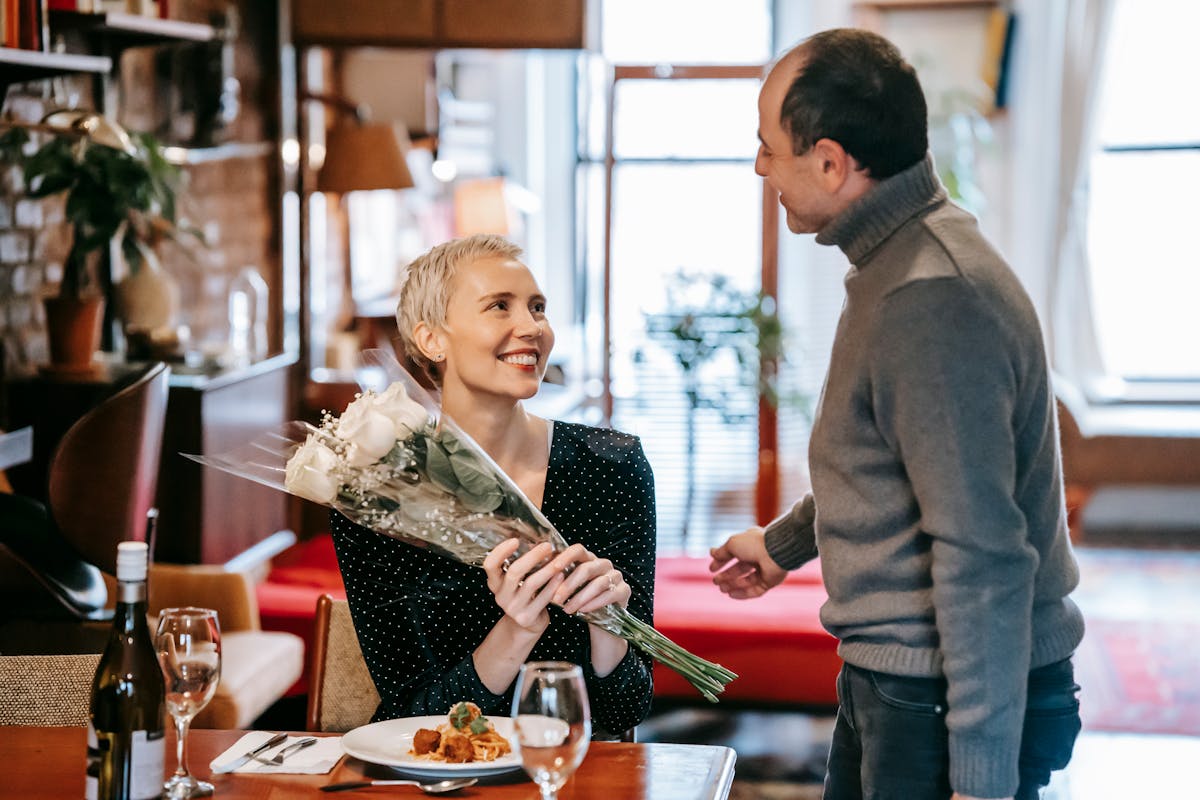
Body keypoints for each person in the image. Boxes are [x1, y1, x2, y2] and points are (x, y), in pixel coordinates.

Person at [708, 29, 1085, 800]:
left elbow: (984, 552)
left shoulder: (928, 297)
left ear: (831, 162)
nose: (758, 168)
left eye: (767, 147)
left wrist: (979, 779)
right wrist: (784, 544)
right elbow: (893, 466)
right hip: (906, 681)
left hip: (942, 697)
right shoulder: (899, 263)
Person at [330, 234, 656, 738]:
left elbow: (625, 713)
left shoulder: (611, 466)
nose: (532, 328)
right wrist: (517, 630)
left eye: (538, 308)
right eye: (498, 307)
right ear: (431, 339)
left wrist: (608, 628)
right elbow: (408, 719)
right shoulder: (376, 497)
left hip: (572, 776)